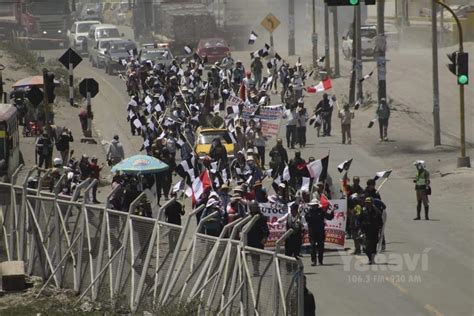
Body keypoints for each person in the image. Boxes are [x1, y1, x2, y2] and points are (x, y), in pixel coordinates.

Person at [305, 198, 334, 266]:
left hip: (320, 232)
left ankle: (320, 260)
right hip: (312, 232)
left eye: (315, 205)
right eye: (313, 205)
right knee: (312, 246)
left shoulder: (321, 211)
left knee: (321, 247)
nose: (314, 206)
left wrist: (332, 212)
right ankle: (313, 261)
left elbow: (329, 217)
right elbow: (307, 219)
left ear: (317, 205)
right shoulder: (308, 212)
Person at [247, 201, 269, 276]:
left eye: (255, 207)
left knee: (256, 255)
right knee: (249, 254)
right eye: (252, 207)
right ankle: (246, 270)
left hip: (258, 238)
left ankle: (256, 269)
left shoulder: (261, 217)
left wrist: (265, 237)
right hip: (249, 238)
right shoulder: (247, 216)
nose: (254, 208)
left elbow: (265, 228)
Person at [360, 197, 383, 264]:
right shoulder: (363, 211)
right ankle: (369, 257)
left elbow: (380, 220)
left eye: (369, 203)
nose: (368, 205)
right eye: (366, 203)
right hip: (366, 231)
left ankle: (372, 259)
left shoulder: (376, 211)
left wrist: (380, 227)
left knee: (373, 246)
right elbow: (359, 220)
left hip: (374, 231)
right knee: (366, 247)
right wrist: (360, 228)